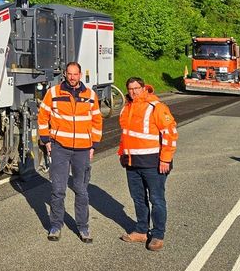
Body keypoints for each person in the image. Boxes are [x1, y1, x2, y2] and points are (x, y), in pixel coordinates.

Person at [38, 61, 103, 242]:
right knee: (58, 189)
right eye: (70, 74)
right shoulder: (53, 93)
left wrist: (93, 145)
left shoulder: (90, 95)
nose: (73, 77)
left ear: (80, 75)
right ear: (65, 74)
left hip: (82, 149)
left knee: (81, 190)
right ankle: (55, 225)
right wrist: (46, 140)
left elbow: (97, 121)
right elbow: (43, 116)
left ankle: (83, 227)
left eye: (76, 74)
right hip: (60, 147)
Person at [117, 77, 178, 251]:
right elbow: (125, 135)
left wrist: (165, 158)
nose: (133, 92)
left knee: (156, 199)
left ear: (144, 88)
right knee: (138, 199)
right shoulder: (127, 108)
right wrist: (122, 154)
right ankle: (141, 231)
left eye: (136, 88)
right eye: (130, 89)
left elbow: (170, 133)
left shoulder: (156, 107)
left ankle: (158, 235)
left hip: (154, 163)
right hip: (132, 162)